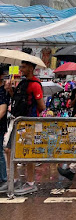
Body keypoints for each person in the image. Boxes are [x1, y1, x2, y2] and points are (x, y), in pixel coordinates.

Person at [7, 61, 45, 195]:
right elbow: (17, 101)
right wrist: (11, 91)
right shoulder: (22, 84)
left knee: (28, 152)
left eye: (23, 67)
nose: (21, 69)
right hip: (20, 122)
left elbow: (42, 107)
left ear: (30, 68)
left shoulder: (35, 85)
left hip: (30, 124)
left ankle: (30, 182)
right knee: (9, 150)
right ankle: (15, 179)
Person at [0, 68, 9, 193]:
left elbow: (2, 110)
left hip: (0, 127)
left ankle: (3, 179)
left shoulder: (2, 92)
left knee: (0, 153)